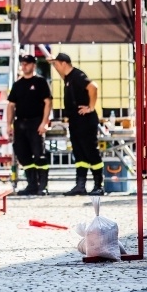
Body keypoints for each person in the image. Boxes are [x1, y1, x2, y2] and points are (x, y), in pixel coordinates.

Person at [49, 52, 104, 196]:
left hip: (85, 120)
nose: (55, 67)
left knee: (90, 151)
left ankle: (99, 185)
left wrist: (91, 107)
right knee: (79, 154)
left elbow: (93, 87)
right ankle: (80, 185)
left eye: (56, 64)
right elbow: (64, 76)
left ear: (63, 63)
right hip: (76, 121)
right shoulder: (68, 78)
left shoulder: (77, 75)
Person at [6, 54, 52, 196]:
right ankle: (32, 184)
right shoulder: (18, 84)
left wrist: (44, 122)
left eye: (27, 63)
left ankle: (42, 185)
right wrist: (9, 124)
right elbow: (11, 105)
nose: (24, 65)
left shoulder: (40, 82)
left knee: (39, 155)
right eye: (23, 63)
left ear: (33, 65)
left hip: (36, 122)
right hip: (20, 123)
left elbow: (48, 102)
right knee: (23, 155)